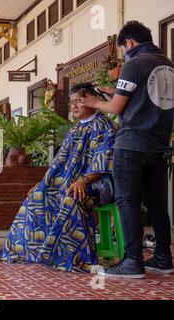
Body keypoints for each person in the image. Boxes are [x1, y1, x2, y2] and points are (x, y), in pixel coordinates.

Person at [81, 21, 174, 278]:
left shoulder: (134, 64)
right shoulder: (167, 64)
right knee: (157, 204)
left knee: (127, 201)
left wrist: (94, 101)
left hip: (132, 144)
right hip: (159, 145)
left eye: (124, 49)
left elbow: (116, 109)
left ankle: (133, 262)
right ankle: (163, 258)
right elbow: (143, 100)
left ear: (129, 43)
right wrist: (115, 92)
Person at [0, 83, 118, 273]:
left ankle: (77, 259)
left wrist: (83, 181)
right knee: (37, 197)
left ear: (92, 101)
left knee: (71, 198)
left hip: (101, 184)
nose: (75, 106)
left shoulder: (105, 125)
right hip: (71, 180)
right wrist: (41, 184)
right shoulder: (75, 129)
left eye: (79, 101)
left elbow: (104, 161)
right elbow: (58, 162)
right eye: (72, 102)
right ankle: (33, 253)